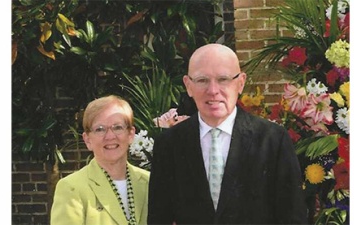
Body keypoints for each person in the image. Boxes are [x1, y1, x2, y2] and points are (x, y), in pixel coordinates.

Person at [147, 43, 308, 224]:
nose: (213, 90)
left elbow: (293, 216)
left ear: (240, 83)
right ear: (188, 85)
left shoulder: (272, 140)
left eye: (223, 79)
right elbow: (159, 218)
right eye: (202, 80)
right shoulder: (169, 144)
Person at [51, 95, 150, 225]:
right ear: (87, 140)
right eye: (100, 129)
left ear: (131, 134)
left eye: (118, 127)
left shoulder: (150, 182)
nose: (110, 136)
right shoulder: (72, 188)